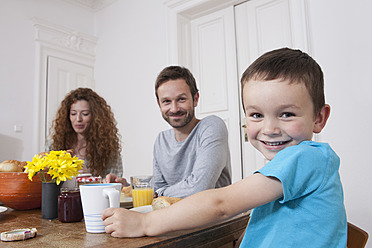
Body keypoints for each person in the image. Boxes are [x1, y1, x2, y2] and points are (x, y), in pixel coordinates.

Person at [102, 48, 347, 247]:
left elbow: (220, 204)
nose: (270, 128)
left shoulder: (307, 157)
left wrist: (144, 224)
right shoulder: (285, 167)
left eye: (286, 114)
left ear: (318, 118)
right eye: (256, 115)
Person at [108, 66, 232, 198]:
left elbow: (199, 187)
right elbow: (157, 189)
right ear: (159, 104)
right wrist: (128, 187)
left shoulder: (211, 126)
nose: (174, 108)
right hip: (177, 216)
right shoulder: (162, 140)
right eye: (167, 101)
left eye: (181, 99)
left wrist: (157, 193)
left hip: (217, 217)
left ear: (195, 99)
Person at [49, 88, 125, 183]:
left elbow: (114, 183)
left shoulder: (109, 148)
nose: (78, 119)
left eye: (85, 114)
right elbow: (46, 180)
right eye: (73, 113)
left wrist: (90, 179)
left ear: (95, 116)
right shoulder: (54, 145)